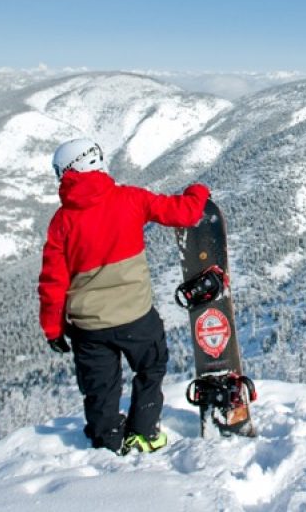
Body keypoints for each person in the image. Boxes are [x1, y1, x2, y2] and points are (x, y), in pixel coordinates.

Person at [38, 137, 209, 454]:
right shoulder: (129, 199)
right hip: (136, 316)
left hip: (89, 328)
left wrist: (53, 328)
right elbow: (183, 214)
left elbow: (52, 282)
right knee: (151, 368)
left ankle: (107, 442)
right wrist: (198, 192)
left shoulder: (62, 223)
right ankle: (143, 433)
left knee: (100, 388)